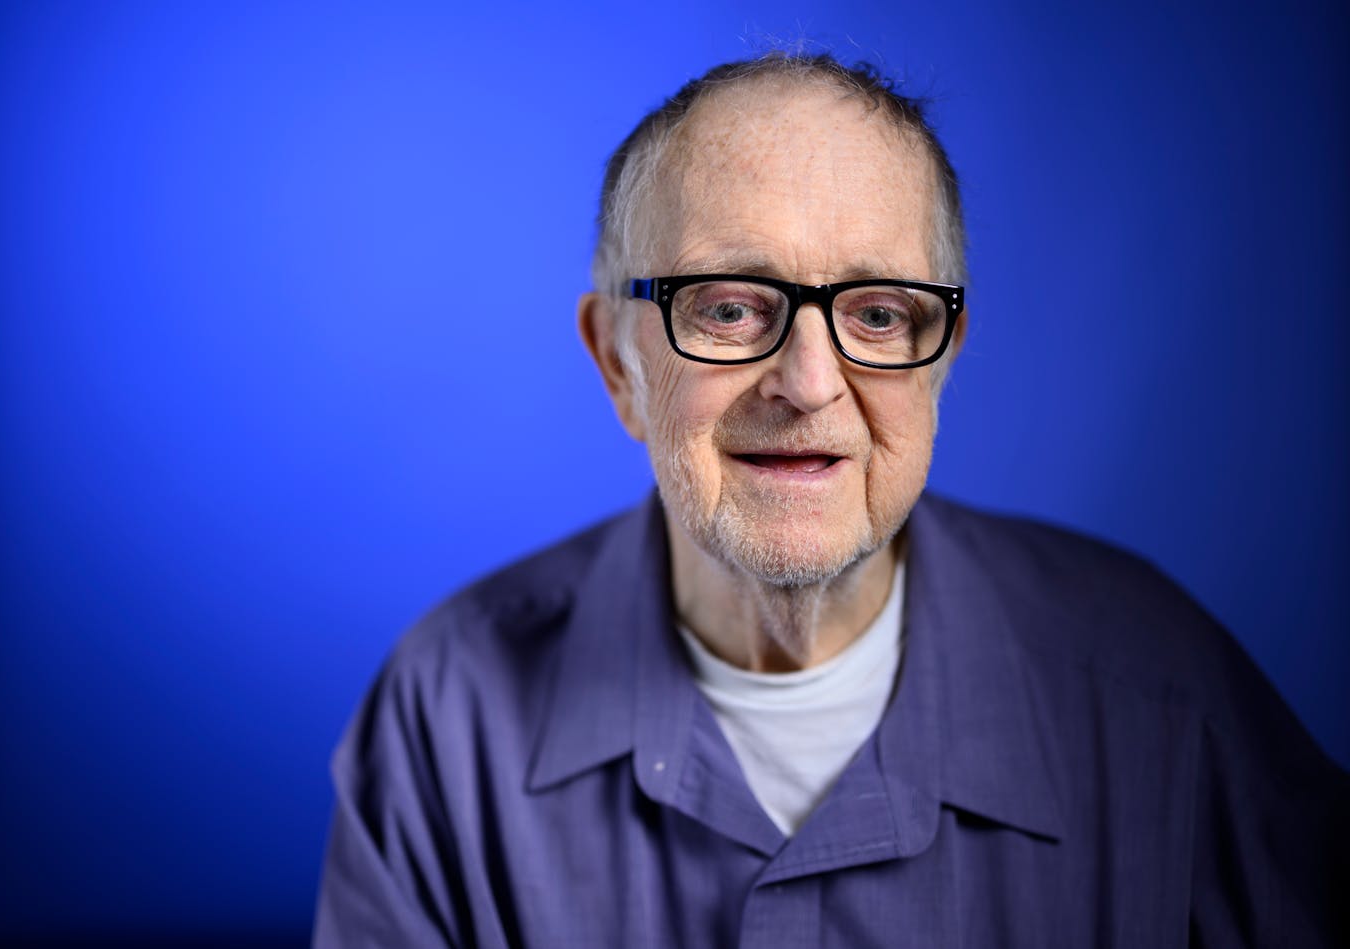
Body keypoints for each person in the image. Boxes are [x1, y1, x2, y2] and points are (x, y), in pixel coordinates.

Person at [313, 53, 1346, 947]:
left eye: (879, 312)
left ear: (937, 361)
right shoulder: (445, 717)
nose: (807, 382)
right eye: (725, 306)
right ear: (618, 364)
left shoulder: (1160, 692)